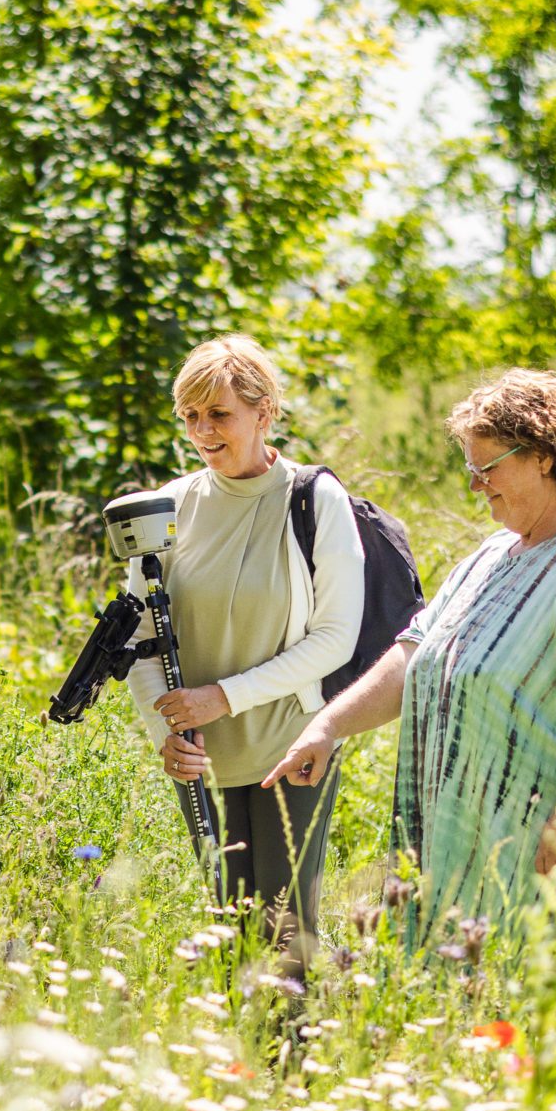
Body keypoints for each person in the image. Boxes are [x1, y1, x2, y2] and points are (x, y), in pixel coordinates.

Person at [265, 369, 556, 940]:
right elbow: (415, 652)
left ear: (543, 455)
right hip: (470, 860)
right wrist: (328, 727)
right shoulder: (493, 555)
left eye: (486, 468)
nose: (474, 486)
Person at [126, 336, 366, 988]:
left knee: (286, 923)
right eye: (190, 416)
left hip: (292, 744)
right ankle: (234, 1067)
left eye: (219, 414)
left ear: (265, 413)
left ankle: (292, 1071)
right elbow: (138, 636)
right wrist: (166, 733)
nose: (203, 431)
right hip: (199, 754)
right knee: (225, 926)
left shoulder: (315, 501)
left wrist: (222, 696)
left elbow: (336, 637)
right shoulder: (166, 508)